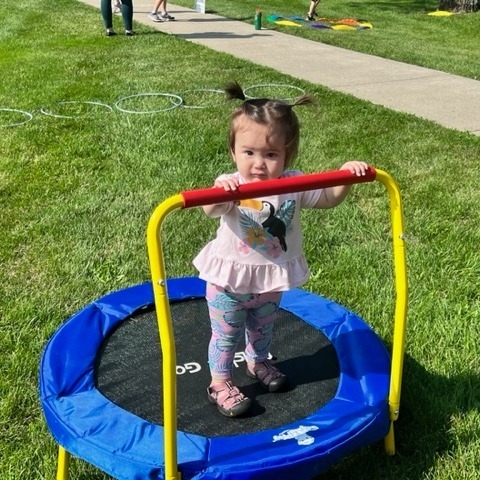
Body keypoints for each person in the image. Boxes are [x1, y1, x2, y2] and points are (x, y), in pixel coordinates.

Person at [193, 81, 369, 418]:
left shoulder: (293, 184)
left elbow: (327, 198)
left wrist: (345, 176)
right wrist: (224, 193)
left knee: (263, 330)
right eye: (249, 153)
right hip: (228, 282)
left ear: (288, 155)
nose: (259, 163)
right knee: (225, 336)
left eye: (270, 154)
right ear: (233, 152)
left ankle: (258, 363)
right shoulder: (230, 185)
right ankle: (219, 381)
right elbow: (211, 209)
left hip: (270, 280)